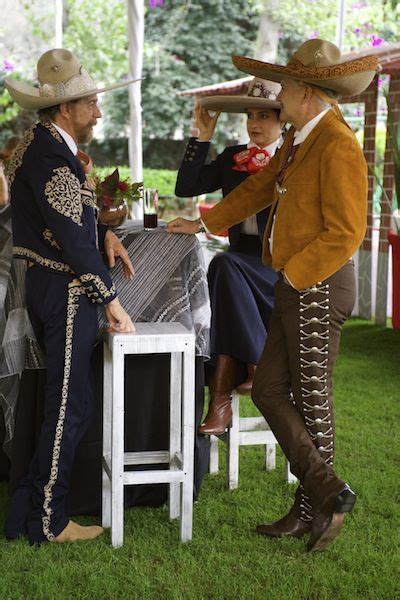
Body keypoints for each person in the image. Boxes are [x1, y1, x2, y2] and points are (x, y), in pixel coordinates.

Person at [168, 39, 378, 552]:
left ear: (305, 92)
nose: (278, 94)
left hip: (317, 282)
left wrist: (295, 276)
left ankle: (319, 510)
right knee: (267, 391)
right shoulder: (302, 139)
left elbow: (347, 231)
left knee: (312, 400)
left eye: (284, 85)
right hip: (297, 282)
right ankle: (324, 492)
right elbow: (259, 189)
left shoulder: (337, 143)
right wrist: (204, 221)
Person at [3, 48, 137, 544]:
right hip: (66, 291)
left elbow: (66, 225)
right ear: (65, 109)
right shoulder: (51, 157)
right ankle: (47, 522)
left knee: (65, 404)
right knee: (68, 407)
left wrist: (104, 233)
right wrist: (113, 301)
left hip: (54, 287)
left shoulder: (38, 147)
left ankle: (26, 518)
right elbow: (71, 242)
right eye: (92, 104)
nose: (98, 113)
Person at [175, 78, 283, 436]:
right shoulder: (232, 158)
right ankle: (251, 367)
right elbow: (186, 188)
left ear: (283, 121)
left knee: (222, 268)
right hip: (240, 262)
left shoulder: (293, 160)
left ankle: (220, 399)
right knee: (225, 267)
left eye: (265, 115)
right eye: (251, 114)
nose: (255, 123)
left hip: (278, 267)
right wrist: (202, 137)